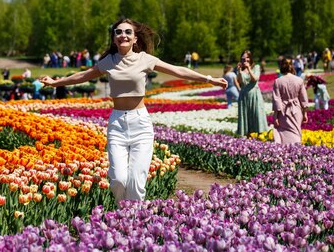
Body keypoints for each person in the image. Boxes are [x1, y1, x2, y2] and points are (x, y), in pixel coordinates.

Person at [40, 17, 227, 204]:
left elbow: (178, 70)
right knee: (118, 180)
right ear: (114, 39)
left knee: (137, 181)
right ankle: (123, 211)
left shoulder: (145, 59)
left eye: (128, 32)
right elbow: (83, 75)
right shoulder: (109, 61)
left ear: (135, 38)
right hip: (117, 124)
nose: (123, 35)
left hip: (141, 124)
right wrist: (56, 82)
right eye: (118, 32)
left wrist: (209, 79)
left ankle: (132, 221)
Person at [271, 58, 309, 145]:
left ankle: (284, 153)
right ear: (292, 66)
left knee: (283, 134)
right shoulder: (299, 80)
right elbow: (303, 99)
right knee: (296, 131)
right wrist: (304, 113)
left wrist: (276, 117)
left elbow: (277, 100)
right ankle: (296, 151)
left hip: (283, 111)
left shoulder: (278, 81)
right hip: (296, 110)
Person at [236, 50, 268, 136]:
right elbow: (239, 81)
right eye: (243, 58)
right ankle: (247, 136)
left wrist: (249, 68)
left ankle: (259, 136)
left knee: (256, 115)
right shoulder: (240, 68)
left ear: (250, 58)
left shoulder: (256, 67)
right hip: (244, 96)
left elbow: (255, 79)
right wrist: (239, 71)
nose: (245, 60)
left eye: (247, 57)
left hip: (254, 95)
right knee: (245, 117)